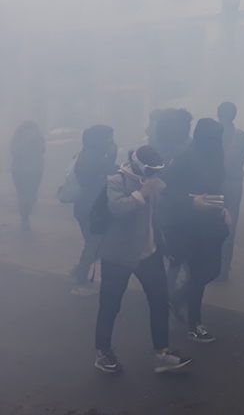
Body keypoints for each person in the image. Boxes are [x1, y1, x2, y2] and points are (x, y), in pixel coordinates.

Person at [94, 146, 192, 374]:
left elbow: (161, 211)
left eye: (158, 170)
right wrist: (143, 193)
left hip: (149, 253)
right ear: (138, 163)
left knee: (159, 302)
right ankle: (103, 352)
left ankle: (162, 353)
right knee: (110, 305)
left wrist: (164, 245)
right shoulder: (116, 179)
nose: (155, 174)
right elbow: (118, 208)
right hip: (118, 255)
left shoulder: (155, 181)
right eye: (151, 169)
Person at [161, 118, 230, 344]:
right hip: (190, 225)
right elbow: (166, 192)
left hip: (212, 223)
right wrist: (191, 202)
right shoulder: (184, 159)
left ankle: (177, 298)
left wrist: (223, 207)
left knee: (211, 271)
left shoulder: (216, 157)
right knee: (199, 274)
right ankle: (194, 323)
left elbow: (215, 187)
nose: (216, 142)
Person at [71, 125, 118, 295]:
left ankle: (78, 273)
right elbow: (115, 170)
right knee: (94, 244)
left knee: (94, 244)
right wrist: (114, 152)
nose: (110, 141)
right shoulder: (95, 159)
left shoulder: (86, 155)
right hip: (91, 209)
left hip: (85, 208)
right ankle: (78, 279)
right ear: (98, 140)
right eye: (108, 138)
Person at [217, 102, 244, 281]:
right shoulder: (241, 136)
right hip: (234, 183)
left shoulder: (211, 132)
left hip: (214, 184)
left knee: (211, 223)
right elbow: (242, 158)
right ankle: (224, 270)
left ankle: (211, 265)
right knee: (230, 225)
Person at [10, 120, 45, 232]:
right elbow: (14, 152)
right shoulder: (18, 139)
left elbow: (42, 150)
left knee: (29, 195)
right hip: (23, 171)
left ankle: (25, 215)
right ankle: (25, 217)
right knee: (26, 195)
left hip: (32, 170)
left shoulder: (38, 138)